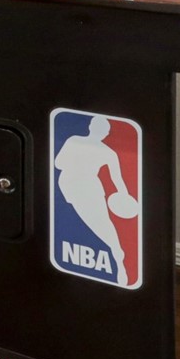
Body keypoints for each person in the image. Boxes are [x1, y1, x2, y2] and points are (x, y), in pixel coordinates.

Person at [54, 115, 131, 279]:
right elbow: (117, 180)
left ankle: (117, 253)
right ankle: (117, 252)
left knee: (97, 223)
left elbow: (58, 163)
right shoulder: (108, 152)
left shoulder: (74, 140)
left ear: (90, 127)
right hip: (87, 187)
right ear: (106, 133)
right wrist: (124, 196)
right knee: (101, 223)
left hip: (71, 185)